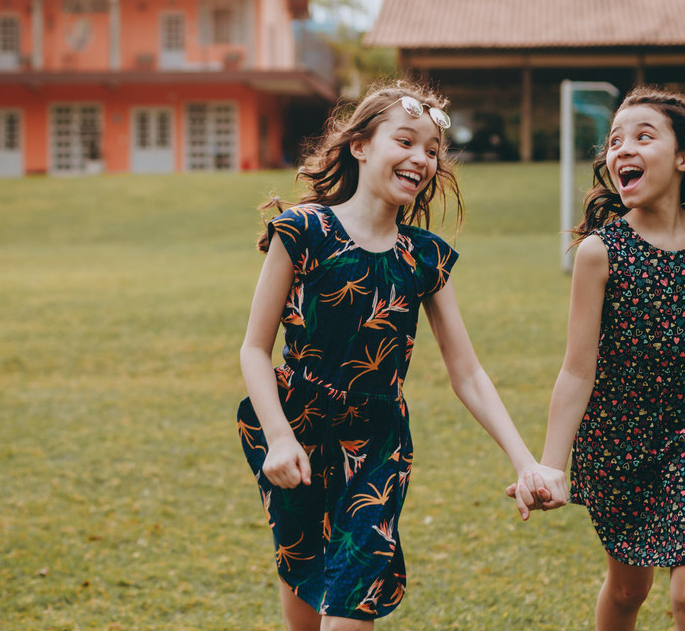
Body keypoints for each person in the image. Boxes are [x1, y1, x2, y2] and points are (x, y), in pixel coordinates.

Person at [237, 81, 563, 630]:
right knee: (304, 588)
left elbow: (468, 373)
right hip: (295, 428)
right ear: (361, 145)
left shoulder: (424, 259)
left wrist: (525, 458)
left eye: (433, 150)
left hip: (378, 443)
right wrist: (279, 436)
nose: (421, 158)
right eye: (406, 141)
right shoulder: (303, 230)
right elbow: (253, 349)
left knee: (347, 609)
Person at [517, 86, 685, 631]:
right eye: (615, 141)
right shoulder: (601, 252)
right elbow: (576, 368)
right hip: (617, 436)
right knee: (628, 585)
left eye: (643, 136)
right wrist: (550, 464)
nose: (623, 149)